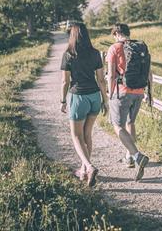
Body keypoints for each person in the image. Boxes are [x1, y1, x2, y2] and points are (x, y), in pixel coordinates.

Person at [60, 22, 108, 187]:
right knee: (87, 134)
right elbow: (101, 79)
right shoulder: (95, 54)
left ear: (72, 36)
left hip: (78, 96)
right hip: (94, 96)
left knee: (76, 136)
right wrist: (105, 101)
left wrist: (62, 100)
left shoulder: (68, 54)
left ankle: (88, 166)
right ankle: (83, 170)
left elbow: (65, 82)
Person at [106, 23, 152, 181]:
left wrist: (109, 93)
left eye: (114, 35)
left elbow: (111, 75)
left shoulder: (114, 48)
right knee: (130, 123)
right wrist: (147, 92)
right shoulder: (140, 47)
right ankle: (130, 158)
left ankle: (138, 156)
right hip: (139, 91)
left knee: (117, 126)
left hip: (122, 92)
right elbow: (148, 72)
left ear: (117, 33)